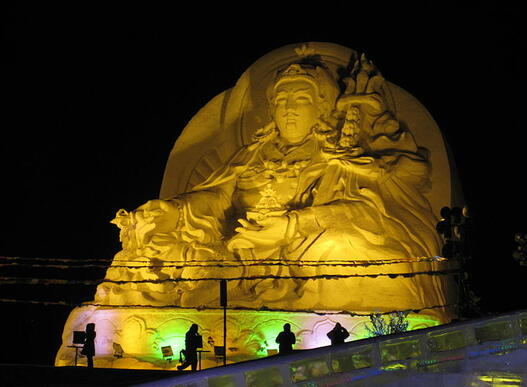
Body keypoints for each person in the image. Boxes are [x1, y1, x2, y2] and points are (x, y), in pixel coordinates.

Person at [95, 51, 450, 322]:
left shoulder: (340, 153)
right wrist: (174, 210)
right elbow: (217, 196)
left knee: (346, 249)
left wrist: (292, 226)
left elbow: (367, 210)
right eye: (281, 101)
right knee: (153, 254)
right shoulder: (252, 153)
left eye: (301, 100)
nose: (289, 110)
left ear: (322, 108)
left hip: (305, 246)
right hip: (238, 249)